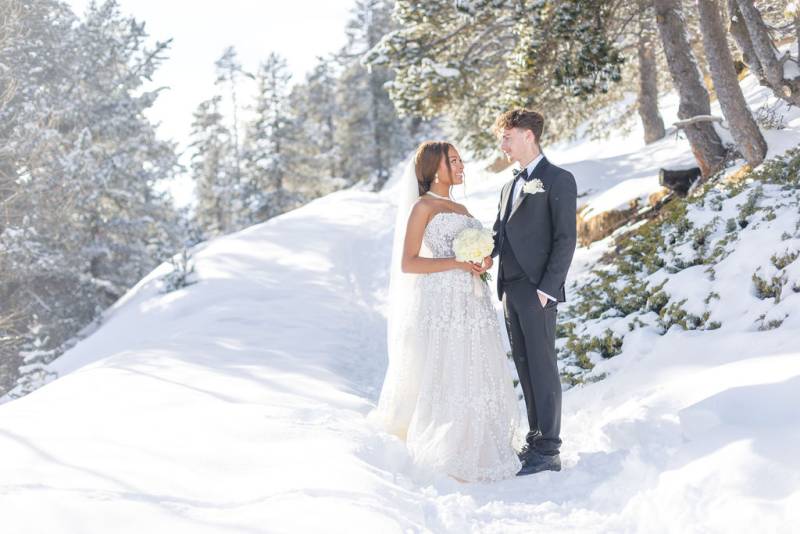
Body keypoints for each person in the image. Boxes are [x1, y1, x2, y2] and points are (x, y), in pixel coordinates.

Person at [369, 140, 523, 483]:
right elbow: (409, 263)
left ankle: (482, 441)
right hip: (443, 301)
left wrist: (483, 260)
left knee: (475, 364)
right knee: (448, 365)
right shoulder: (423, 206)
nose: (460, 165)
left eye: (459, 159)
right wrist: (456, 262)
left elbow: (480, 253)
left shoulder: (463, 210)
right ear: (433, 168)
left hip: (472, 300)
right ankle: (447, 443)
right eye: (452, 160)